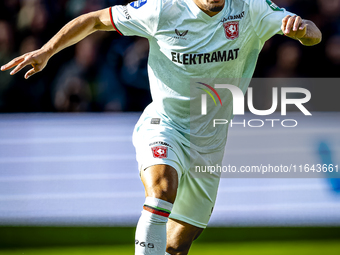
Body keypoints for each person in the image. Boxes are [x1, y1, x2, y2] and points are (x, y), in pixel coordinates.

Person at [1, 0, 321, 254]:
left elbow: (313, 35)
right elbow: (95, 19)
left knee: (176, 245)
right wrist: (47, 51)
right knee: (161, 189)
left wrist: (302, 30)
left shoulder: (251, 9)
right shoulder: (162, 9)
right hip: (165, 123)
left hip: (210, 141)